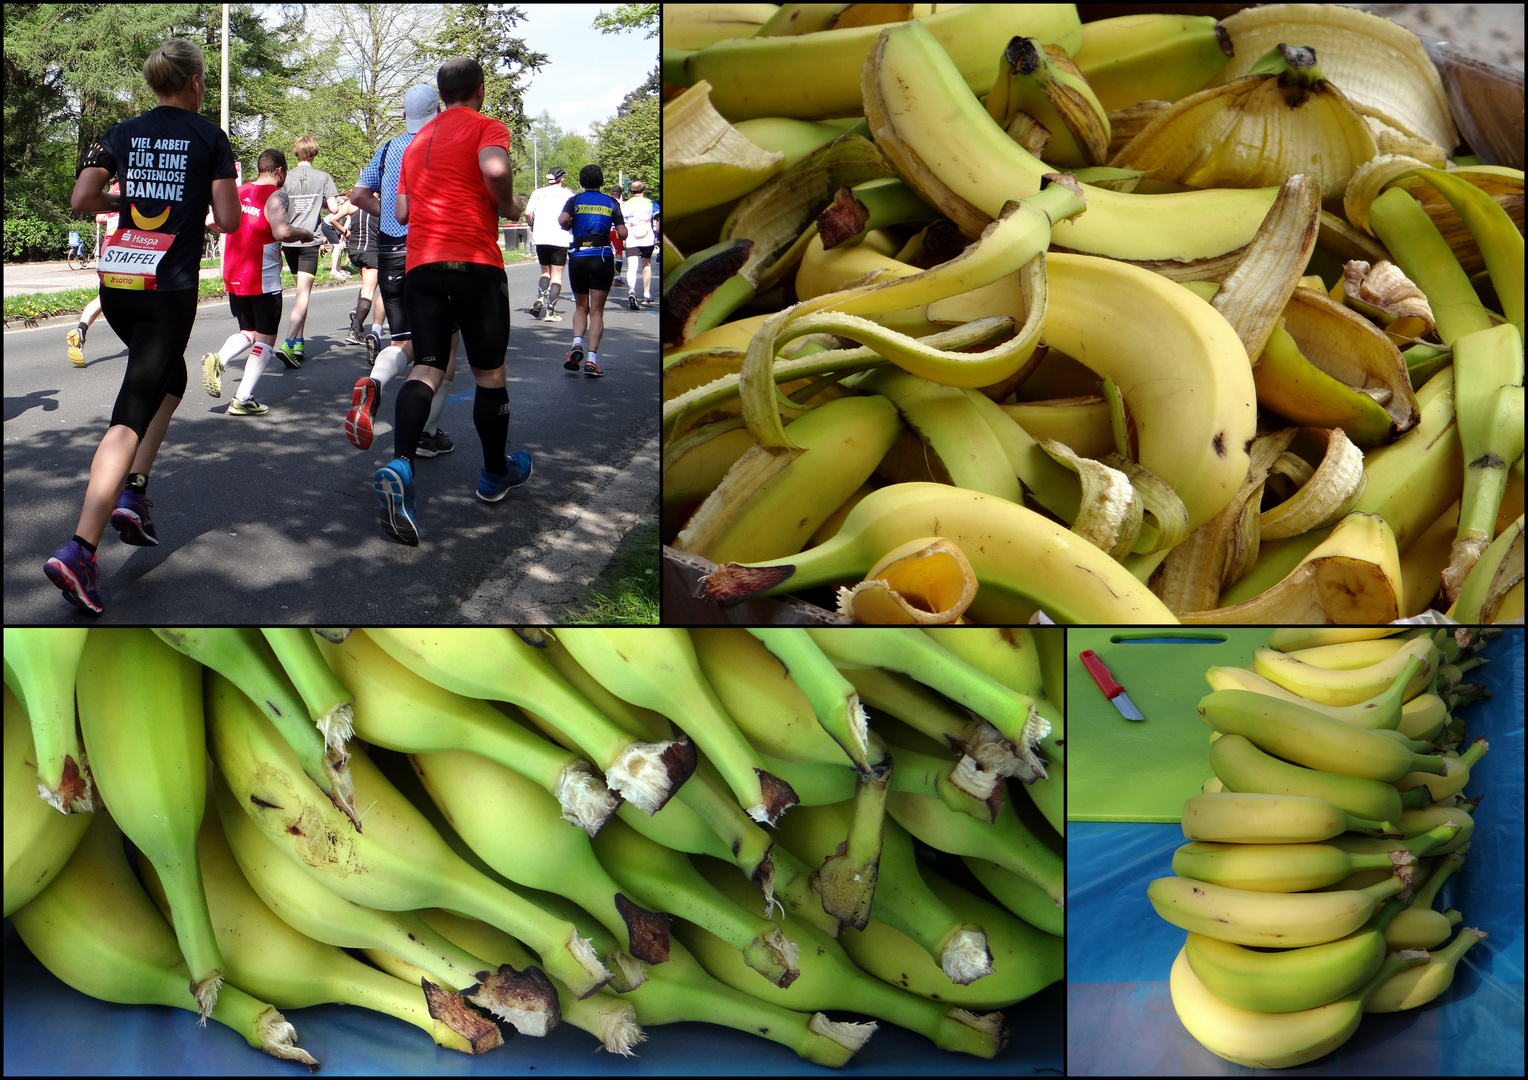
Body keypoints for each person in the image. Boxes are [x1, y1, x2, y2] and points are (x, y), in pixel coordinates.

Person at [45, 38, 239, 614]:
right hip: (168, 292)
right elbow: (227, 219)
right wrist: (185, 203)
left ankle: (135, 494)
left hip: (119, 284)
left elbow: (83, 197)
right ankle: (81, 549)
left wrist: (125, 202)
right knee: (132, 410)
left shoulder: (122, 131)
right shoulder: (210, 137)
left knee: (171, 383)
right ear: (198, 83)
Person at [371, 56, 530, 546]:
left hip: (421, 267)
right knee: (489, 374)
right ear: (480, 90)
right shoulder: (487, 126)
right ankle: (493, 474)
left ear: (441, 96)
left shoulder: (418, 140)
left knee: (427, 368)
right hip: (474, 265)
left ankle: (401, 463)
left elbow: (400, 208)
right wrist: (505, 203)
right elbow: (496, 166)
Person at [345, 84, 457, 459]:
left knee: (402, 339)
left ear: (403, 113)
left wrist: (389, 214)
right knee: (444, 350)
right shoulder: (440, 143)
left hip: (391, 251)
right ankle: (426, 433)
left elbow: (358, 196)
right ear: (438, 108)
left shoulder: (389, 148)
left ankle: (375, 381)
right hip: (430, 250)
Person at [199, 148, 315, 416]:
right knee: (266, 338)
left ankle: (220, 359)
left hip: (233, 272)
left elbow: (210, 220)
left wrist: (242, 229)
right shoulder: (276, 195)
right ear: (279, 172)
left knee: (249, 331)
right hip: (261, 276)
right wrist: (305, 233)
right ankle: (242, 398)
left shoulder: (239, 192)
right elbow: (282, 231)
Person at [274, 135, 343, 368]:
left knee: (298, 292)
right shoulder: (323, 177)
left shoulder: (285, 178)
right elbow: (334, 208)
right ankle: (288, 342)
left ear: (296, 153)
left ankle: (300, 342)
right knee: (303, 295)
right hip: (309, 241)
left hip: (289, 240)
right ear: (314, 154)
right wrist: (324, 202)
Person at [560, 164, 626, 378]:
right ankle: (591, 361)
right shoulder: (611, 202)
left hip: (578, 256)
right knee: (597, 311)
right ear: (601, 182)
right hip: (602, 256)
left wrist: (568, 225)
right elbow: (623, 233)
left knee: (581, 307)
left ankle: (576, 344)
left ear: (581, 182)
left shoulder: (574, 200)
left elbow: (563, 220)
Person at [65, 181, 120, 366]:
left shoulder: (116, 187)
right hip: (128, 249)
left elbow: (100, 217)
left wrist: (116, 213)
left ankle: (80, 329)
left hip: (108, 249)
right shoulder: (141, 186)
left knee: (103, 298)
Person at [523, 167, 571, 322]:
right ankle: (551, 312)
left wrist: (532, 225)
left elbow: (527, 213)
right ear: (562, 178)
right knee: (556, 276)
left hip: (541, 237)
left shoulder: (537, 193)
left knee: (545, 272)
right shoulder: (568, 195)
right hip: (560, 237)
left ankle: (540, 298)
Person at [621, 179, 658, 309]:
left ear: (631, 192)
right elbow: (658, 219)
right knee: (646, 265)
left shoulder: (624, 205)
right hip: (647, 238)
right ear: (643, 191)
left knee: (631, 267)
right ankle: (646, 295)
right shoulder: (650, 203)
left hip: (631, 238)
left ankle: (631, 291)